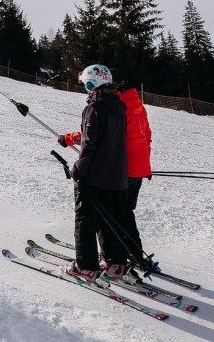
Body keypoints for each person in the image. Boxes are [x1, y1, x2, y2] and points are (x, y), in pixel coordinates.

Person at [64, 64, 131, 284]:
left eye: (86, 85)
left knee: (85, 220)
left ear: (93, 84)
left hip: (96, 177)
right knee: (108, 219)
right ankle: (115, 262)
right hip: (117, 178)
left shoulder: (94, 109)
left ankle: (86, 267)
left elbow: (89, 145)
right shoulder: (119, 107)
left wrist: (78, 171)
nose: (85, 89)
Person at [116, 74, 153, 269]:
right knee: (126, 212)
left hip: (125, 168)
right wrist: (144, 164)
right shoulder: (138, 105)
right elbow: (147, 135)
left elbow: (105, 132)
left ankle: (118, 256)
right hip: (140, 167)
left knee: (115, 212)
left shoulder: (119, 106)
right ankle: (135, 253)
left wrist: (69, 138)